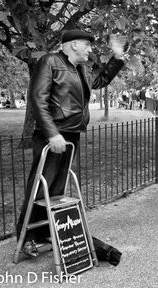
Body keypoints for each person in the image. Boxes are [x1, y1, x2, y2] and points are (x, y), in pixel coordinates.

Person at [15, 29, 127, 257]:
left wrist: (116, 58)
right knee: (40, 186)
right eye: (87, 45)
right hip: (53, 135)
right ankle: (26, 238)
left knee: (56, 190)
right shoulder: (50, 61)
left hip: (72, 133)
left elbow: (102, 79)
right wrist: (51, 133)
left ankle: (46, 232)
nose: (90, 49)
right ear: (74, 45)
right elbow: (37, 99)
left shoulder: (82, 69)